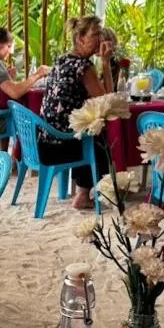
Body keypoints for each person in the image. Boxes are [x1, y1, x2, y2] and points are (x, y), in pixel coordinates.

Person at [41, 15, 115, 210]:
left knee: (91, 128)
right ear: (80, 38)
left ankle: (83, 190)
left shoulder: (62, 59)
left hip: (43, 140)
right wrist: (106, 64)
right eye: (95, 34)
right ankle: (83, 195)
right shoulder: (84, 66)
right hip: (60, 145)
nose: (100, 39)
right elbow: (107, 102)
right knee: (100, 135)